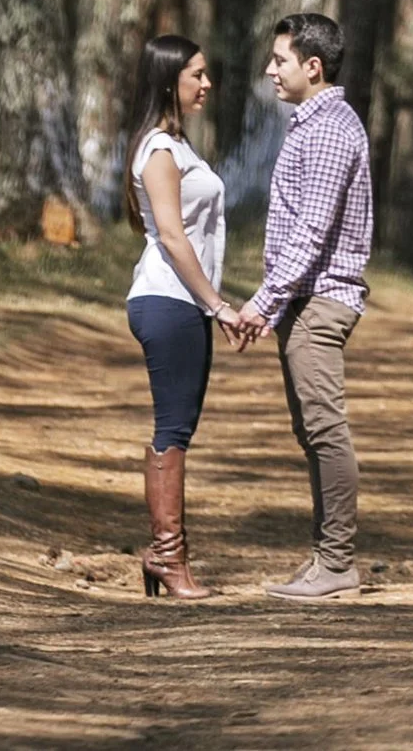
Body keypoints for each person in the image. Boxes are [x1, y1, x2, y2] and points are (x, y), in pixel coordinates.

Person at [227, 10, 372, 598]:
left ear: (313, 67)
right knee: (313, 431)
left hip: (320, 301)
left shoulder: (331, 129)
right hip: (303, 302)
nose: (270, 69)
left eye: (281, 60)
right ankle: (327, 560)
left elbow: (312, 231)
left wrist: (263, 303)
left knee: (325, 430)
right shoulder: (311, 125)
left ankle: (336, 562)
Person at [124, 31, 239, 597]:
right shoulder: (159, 150)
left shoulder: (178, 145)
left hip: (183, 300)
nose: (206, 83)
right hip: (169, 298)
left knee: (180, 428)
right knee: (172, 428)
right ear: (169, 78)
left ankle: (166, 556)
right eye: (196, 74)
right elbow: (170, 235)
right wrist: (217, 304)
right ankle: (169, 558)